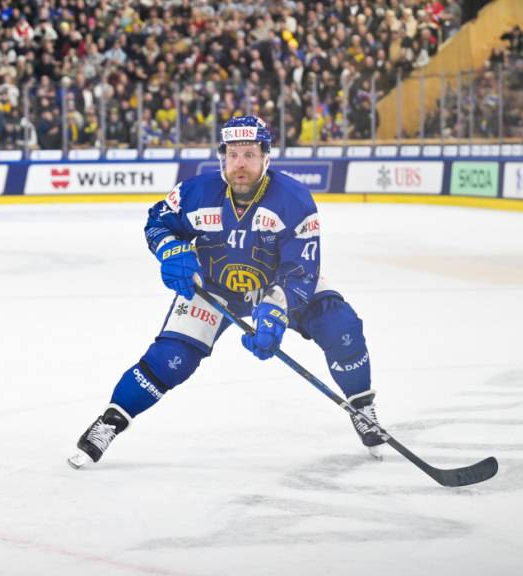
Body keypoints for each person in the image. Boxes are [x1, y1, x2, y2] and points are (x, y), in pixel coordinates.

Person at [68, 115, 383, 469]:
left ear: (266, 157)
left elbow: (301, 269)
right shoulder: (196, 192)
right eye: (233, 155)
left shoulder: (295, 199)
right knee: (172, 358)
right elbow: (157, 222)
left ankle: (362, 407)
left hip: (277, 284)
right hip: (214, 289)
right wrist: (171, 250)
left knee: (341, 325)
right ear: (223, 158)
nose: (240, 164)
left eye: (249, 154)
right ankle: (109, 423)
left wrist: (277, 309)